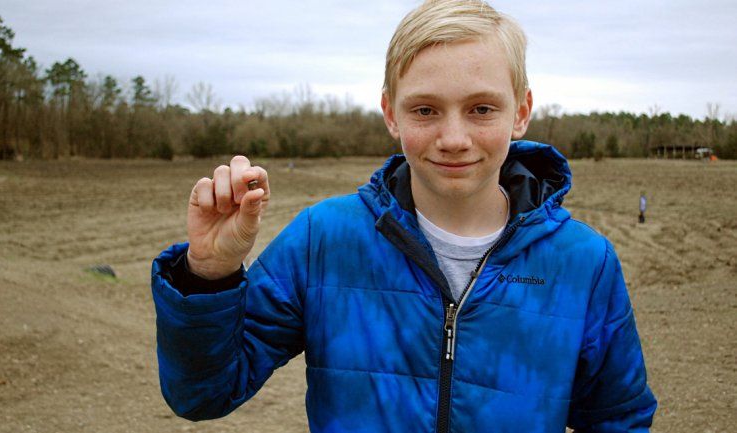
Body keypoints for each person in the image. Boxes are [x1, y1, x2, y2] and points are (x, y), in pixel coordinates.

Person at [151, 1, 657, 431]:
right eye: (425, 110)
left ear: (520, 111)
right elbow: (202, 395)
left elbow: (618, 418)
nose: (454, 138)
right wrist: (210, 275)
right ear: (390, 113)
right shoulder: (324, 240)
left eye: (482, 109)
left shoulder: (584, 263)